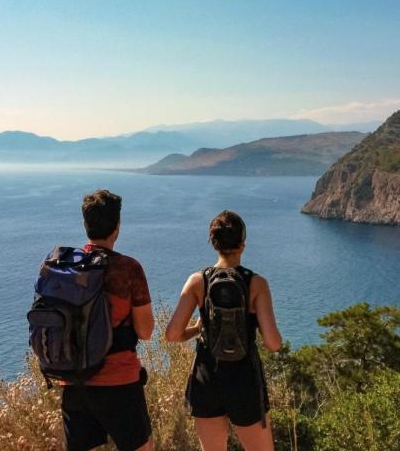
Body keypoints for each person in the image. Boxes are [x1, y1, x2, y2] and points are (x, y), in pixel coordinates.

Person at [165, 210, 282, 451]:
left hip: (207, 378)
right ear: (243, 244)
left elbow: (172, 335)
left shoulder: (198, 281)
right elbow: (273, 343)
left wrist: (197, 329)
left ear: (214, 243)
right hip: (244, 380)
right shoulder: (256, 284)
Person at [60, 189, 155, 451]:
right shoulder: (128, 268)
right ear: (117, 227)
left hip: (73, 380)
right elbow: (145, 331)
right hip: (118, 380)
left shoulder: (65, 266)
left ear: (85, 224)